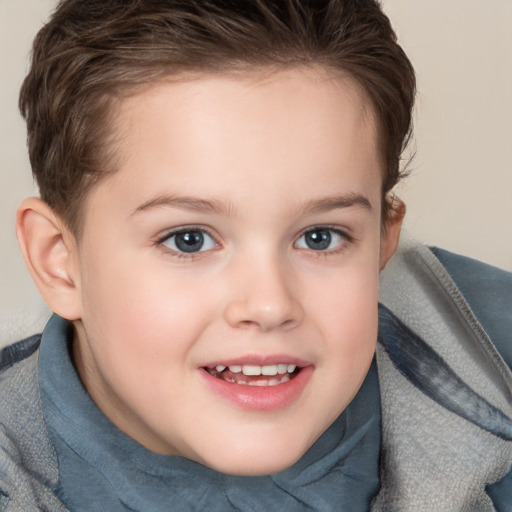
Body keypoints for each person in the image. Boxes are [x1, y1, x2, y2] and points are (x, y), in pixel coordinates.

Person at [0, 0, 510, 510]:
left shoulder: (494, 358)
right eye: (189, 239)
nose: (269, 305)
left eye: (320, 237)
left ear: (381, 240)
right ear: (59, 261)